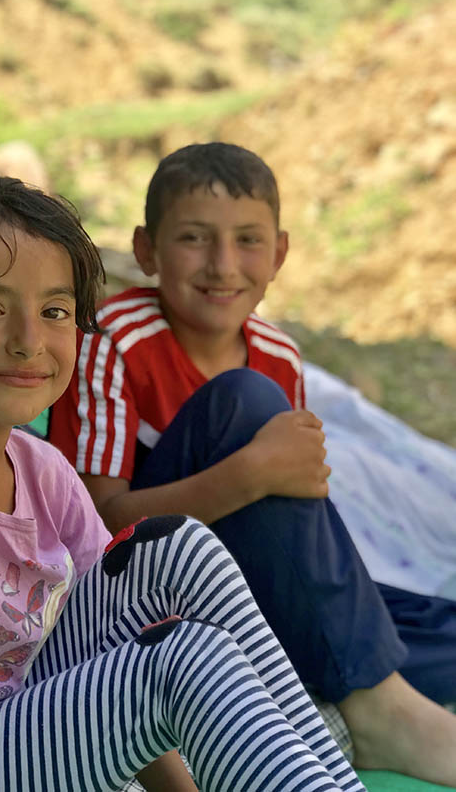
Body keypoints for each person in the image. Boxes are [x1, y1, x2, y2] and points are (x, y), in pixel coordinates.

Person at [0, 174, 365, 792]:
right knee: (182, 659)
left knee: (175, 550)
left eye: (54, 311)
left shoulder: (41, 469)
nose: (29, 341)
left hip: (8, 725)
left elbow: (116, 645)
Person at [49, 142, 456, 788]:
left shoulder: (278, 353)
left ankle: (345, 687)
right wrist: (251, 474)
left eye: (247, 240)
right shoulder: (112, 341)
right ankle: (379, 711)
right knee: (243, 401)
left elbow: (292, 526)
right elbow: (99, 533)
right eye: (193, 238)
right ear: (147, 249)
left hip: (250, 595)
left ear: (280, 253)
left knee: (433, 624)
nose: (222, 264)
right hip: (150, 597)